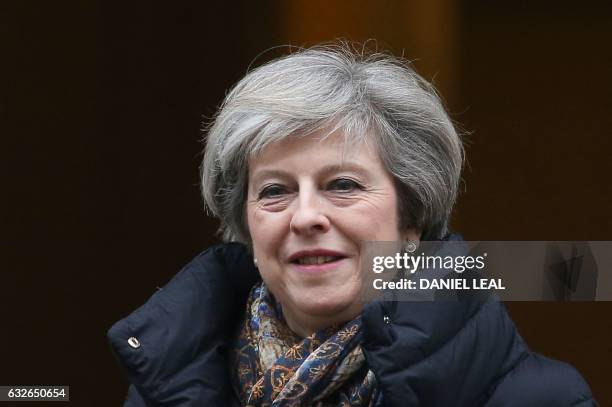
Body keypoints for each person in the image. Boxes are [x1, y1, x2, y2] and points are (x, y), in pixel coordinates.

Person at [108, 44, 596, 406]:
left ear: (413, 220)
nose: (305, 216)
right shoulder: (162, 388)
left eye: (342, 185)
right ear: (247, 227)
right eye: (275, 191)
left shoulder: (540, 396)